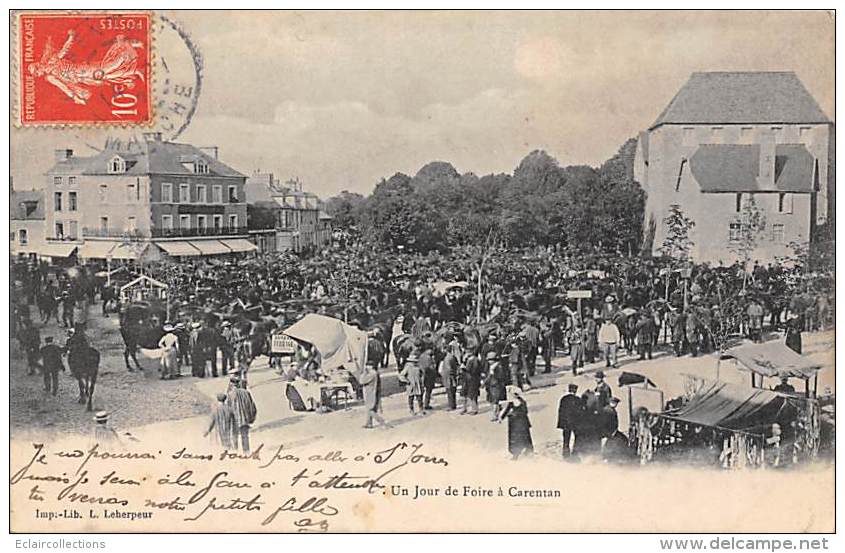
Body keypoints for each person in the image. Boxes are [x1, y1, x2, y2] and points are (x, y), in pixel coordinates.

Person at [498, 385, 534, 460]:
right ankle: (516, 453)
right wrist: (501, 418)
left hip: (521, 423)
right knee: (516, 439)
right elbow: (506, 410)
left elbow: (525, 412)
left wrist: (514, 414)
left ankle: (527, 450)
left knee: (523, 437)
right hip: (515, 424)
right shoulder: (511, 403)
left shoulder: (522, 402)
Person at [227, 376, 257, 453]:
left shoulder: (230, 395)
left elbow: (228, 409)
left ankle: (235, 451)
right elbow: (252, 406)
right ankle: (246, 452)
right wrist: (251, 418)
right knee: (245, 436)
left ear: (231, 384)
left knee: (234, 435)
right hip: (245, 418)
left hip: (235, 419)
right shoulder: (246, 393)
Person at [556, 383, 585, 458]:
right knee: (577, 437)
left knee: (566, 439)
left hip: (565, 423)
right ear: (575, 391)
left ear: (569, 390)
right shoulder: (578, 400)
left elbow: (560, 411)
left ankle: (565, 454)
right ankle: (575, 453)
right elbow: (580, 412)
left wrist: (561, 423)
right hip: (575, 423)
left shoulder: (563, 399)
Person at [360, 364, 391, 429]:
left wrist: (363, 373)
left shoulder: (371, 374)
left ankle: (382, 421)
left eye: (367, 365)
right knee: (370, 408)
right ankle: (369, 423)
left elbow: (362, 381)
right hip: (374, 392)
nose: (366, 367)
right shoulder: (375, 373)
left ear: (371, 366)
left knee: (370, 410)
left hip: (370, 393)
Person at [485, 351, 507, 421]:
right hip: (491, 385)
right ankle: (498, 410)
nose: (488, 361)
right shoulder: (492, 366)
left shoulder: (498, 366)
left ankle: (495, 415)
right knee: (492, 400)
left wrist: (493, 374)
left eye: (490, 360)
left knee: (495, 400)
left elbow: (500, 377)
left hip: (496, 385)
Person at [460, 349, 482, 415]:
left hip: (473, 379)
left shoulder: (475, 360)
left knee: (473, 395)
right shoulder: (468, 359)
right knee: (464, 394)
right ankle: (464, 408)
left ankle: (474, 409)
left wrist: (464, 368)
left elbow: (474, 371)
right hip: (466, 379)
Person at [439, 342, 460, 411]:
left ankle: (451, 405)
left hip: (448, 377)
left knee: (449, 391)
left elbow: (448, 369)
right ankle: (453, 405)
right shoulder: (452, 357)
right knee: (452, 391)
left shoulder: (448, 358)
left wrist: (443, 374)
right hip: (451, 376)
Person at [419, 344, 437, 410]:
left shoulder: (421, 356)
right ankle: (426, 404)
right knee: (428, 391)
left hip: (422, 376)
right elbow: (432, 367)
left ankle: (420, 404)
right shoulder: (429, 358)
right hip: (429, 376)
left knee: (421, 391)